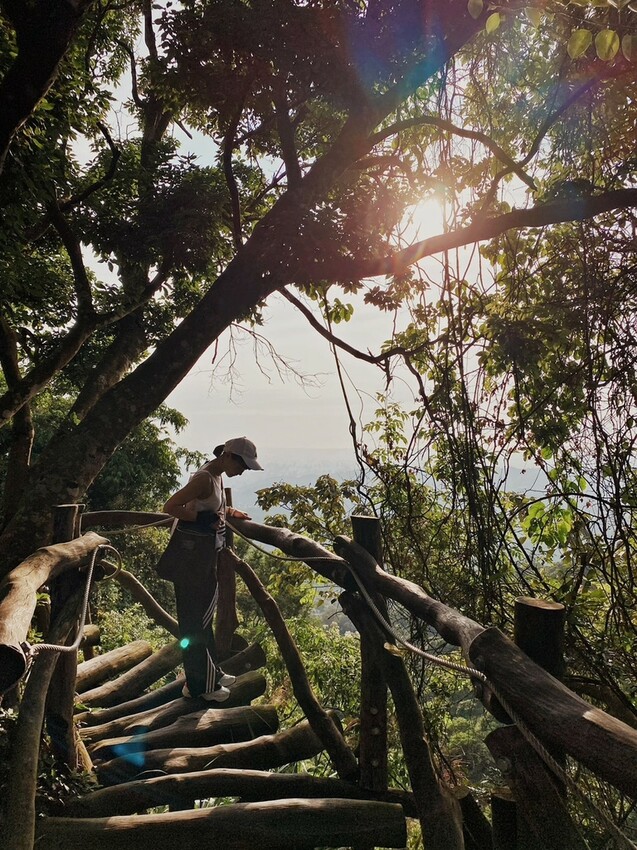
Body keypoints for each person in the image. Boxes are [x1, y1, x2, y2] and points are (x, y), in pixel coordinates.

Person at [161, 437, 263, 702]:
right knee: (194, 622)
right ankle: (200, 687)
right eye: (242, 465)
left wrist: (228, 510)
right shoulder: (205, 478)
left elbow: (207, 505)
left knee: (201, 619)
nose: (243, 471)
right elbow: (170, 507)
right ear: (228, 456)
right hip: (191, 560)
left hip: (202, 557)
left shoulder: (216, 475)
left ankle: (211, 675)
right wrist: (200, 518)